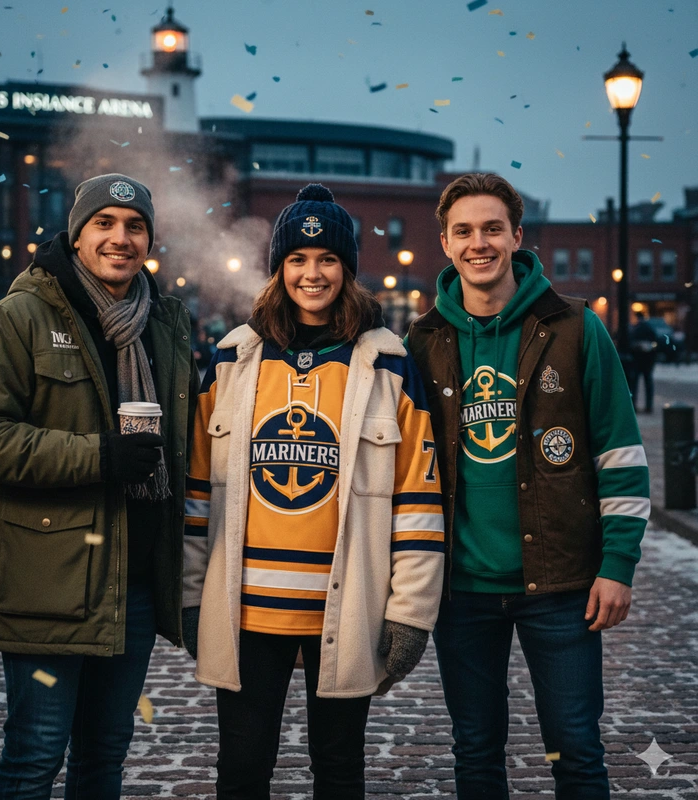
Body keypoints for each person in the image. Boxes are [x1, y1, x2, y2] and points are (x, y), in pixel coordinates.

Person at [182, 184, 445, 799]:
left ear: (347, 270)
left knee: (339, 768)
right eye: (297, 259)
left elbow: (418, 500)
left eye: (328, 259)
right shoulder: (231, 361)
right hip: (247, 610)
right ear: (279, 269)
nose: (312, 273)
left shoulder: (388, 366)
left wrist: (409, 611)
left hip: (348, 605)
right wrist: (192, 594)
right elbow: (197, 493)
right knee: (242, 769)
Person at [0, 173, 199, 800]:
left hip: (135, 583)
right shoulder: (18, 318)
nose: (121, 238)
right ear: (77, 234)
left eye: (135, 226)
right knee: (35, 756)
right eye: (104, 223)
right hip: (48, 579)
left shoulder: (164, 322)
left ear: (149, 240)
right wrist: (99, 456)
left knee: (103, 758)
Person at [406, 173, 650, 800]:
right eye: (464, 231)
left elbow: (621, 453)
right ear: (445, 243)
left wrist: (618, 564)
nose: (479, 243)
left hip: (562, 584)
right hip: (461, 588)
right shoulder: (423, 342)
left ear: (517, 236)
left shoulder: (575, 327)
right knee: (476, 752)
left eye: (493, 228)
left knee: (577, 750)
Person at [629, 310, 658, 413]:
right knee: (648, 382)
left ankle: (633, 405)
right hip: (647, 360)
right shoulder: (649, 328)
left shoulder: (635, 329)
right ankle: (648, 406)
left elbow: (631, 343)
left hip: (637, 360)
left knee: (634, 384)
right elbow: (655, 343)